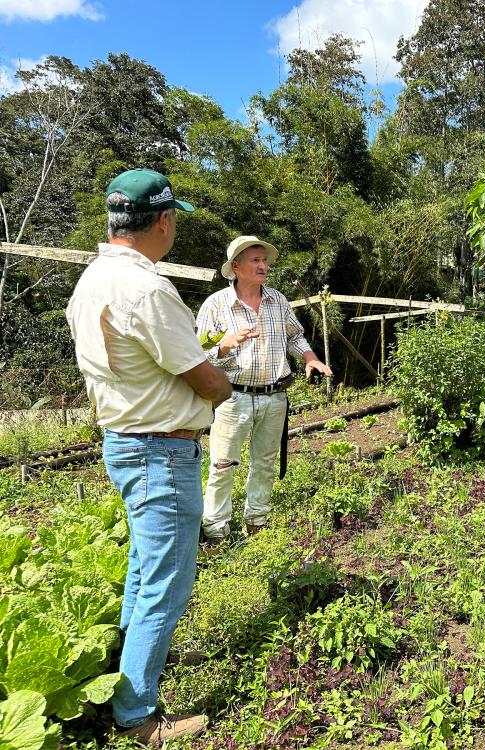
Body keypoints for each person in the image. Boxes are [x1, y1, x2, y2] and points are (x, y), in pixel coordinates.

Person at [66, 169, 231, 744]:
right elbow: (204, 378)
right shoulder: (147, 289)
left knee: (143, 568)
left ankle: (122, 678)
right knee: (167, 580)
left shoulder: (90, 282)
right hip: (160, 449)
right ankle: (138, 714)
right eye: (175, 218)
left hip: (124, 441)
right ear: (163, 220)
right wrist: (224, 386)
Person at [198, 236, 332, 552]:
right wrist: (224, 345)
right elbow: (199, 352)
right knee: (222, 464)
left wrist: (310, 357)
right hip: (233, 397)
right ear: (235, 267)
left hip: (274, 396)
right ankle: (216, 531)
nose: (263, 266)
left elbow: (294, 336)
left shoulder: (277, 301)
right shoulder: (216, 305)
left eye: (265, 261)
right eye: (256, 260)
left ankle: (256, 522)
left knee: (265, 462)